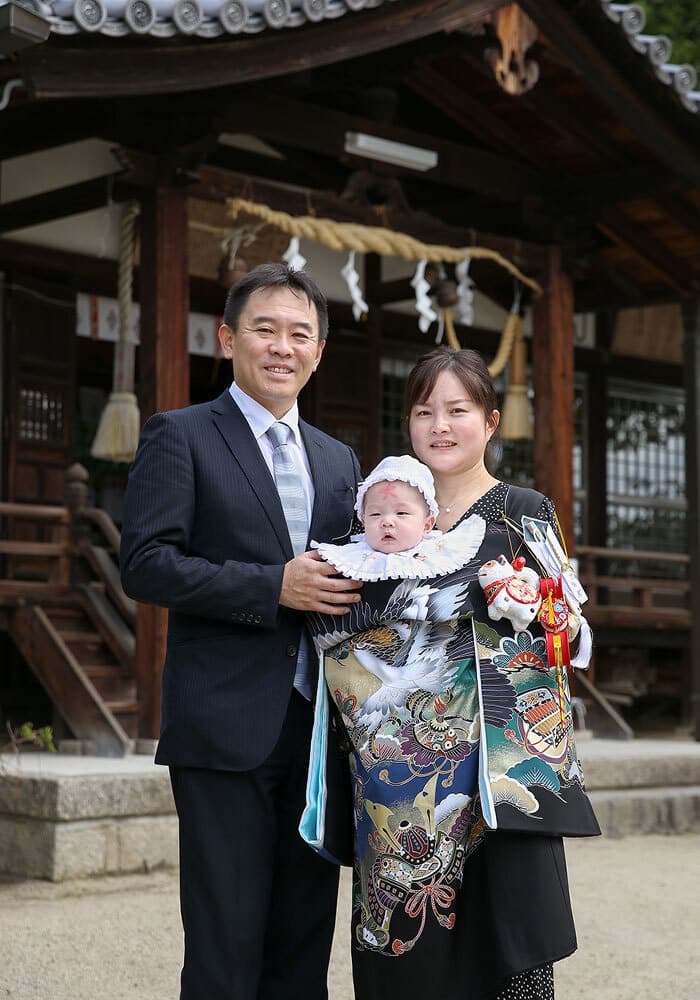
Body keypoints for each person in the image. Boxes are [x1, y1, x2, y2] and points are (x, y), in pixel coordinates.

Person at [304, 347, 600, 1000]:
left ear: (490, 421)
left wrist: (533, 603)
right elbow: (331, 625)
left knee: (506, 947)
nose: (440, 425)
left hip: (499, 771)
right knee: (406, 950)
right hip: (400, 775)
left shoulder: (523, 511)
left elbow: (570, 629)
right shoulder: (378, 512)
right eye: (423, 411)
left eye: (457, 410)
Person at [119, 263, 364, 1000]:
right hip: (223, 724)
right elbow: (146, 565)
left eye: (300, 334)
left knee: (302, 943)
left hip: (319, 731)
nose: (282, 347)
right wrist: (271, 586)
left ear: (318, 352)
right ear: (228, 339)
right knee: (225, 943)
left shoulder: (339, 459)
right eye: (265, 329)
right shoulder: (181, 435)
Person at [312, 453, 486, 582]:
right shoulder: (350, 560)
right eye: (375, 514)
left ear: (427, 525)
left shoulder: (438, 557)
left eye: (401, 513)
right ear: (363, 521)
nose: (387, 522)